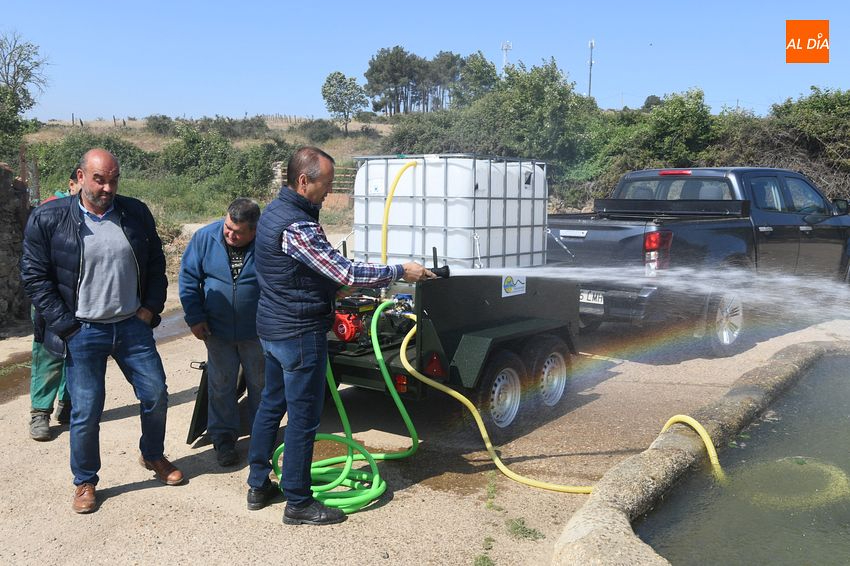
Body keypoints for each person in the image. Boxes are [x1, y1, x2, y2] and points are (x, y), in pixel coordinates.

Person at [246, 146, 435, 525]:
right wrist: (401, 270)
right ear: (303, 181)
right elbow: (345, 271)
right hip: (298, 333)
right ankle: (298, 502)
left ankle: (257, 485)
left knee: (271, 405)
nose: (329, 192)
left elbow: (295, 272)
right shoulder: (296, 225)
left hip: (272, 326)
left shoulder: (273, 212)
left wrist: (327, 290)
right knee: (303, 419)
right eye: (326, 184)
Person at [21, 148, 183, 515]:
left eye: (113, 179)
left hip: (131, 326)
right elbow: (34, 276)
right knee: (86, 410)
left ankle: (153, 455)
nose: (107, 187)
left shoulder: (135, 212)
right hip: (83, 330)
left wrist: (150, 309)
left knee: (156, 394)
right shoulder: (49, 218)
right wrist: (66, 326)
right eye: (99, 179)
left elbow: (156, 263)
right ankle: (85, 480)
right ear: (80, 177)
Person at [179, 197, 265, 467]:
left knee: (262, 386)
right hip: (217, 330)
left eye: (238, 232)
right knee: (220, 384)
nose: (230, 234)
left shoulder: (266, 242)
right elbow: (188, 278)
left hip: (258, 331)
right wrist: (194, 317)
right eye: (228, 227)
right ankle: (224, 440)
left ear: (254, 230)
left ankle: (262, 439)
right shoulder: (205, 237)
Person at [29, 167, 81, 441]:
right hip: (51, 299)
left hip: (81, 301)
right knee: (48, 354)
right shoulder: (49, 211)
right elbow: (35, 265)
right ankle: (40, 412)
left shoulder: (94, 214)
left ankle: (67, 405)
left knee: (76, 354)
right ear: (73, 183)